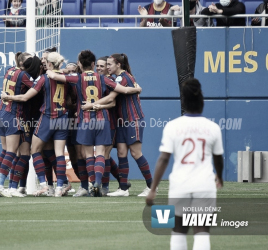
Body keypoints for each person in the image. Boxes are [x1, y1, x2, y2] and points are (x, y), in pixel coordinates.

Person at [47, 50, 142, 197]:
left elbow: (52, 75)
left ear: (79, 63)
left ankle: (92, 184)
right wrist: (137, 89)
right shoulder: (103, 79)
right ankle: (97, 181)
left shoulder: (77, 78)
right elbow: (123, 90)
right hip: (102, 119)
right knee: (101, 154)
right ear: (93, 64)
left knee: (88, 155)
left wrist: (56, 67)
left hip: (85, 120)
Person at [146, 78, 224, 250]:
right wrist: (219, 176)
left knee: (179, 231)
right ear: (201, 101)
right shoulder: (213, 128)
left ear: (184, 102)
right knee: (202, 231)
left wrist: (153, 189)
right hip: (204, 184)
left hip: (179, 185)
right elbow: (218, 159)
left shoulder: (173, 126)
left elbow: (164, 159)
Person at [1, 52, 69, 197]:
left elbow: (25, 97)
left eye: (45, 61)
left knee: (34, 150)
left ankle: (43, 185)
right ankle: (59, 187)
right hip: (63, 117)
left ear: (49, 64)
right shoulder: (68, 77)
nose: (43, 63)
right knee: (58, 153)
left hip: (47, 117)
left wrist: (8, 97)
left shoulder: (43, 79)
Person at [93, 53, 152, 197]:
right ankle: (123, 188)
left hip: (133, 120)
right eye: (105, 64)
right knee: (121, 153)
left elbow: (112, 97)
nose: (107, 67)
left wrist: (93, 104)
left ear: (118, 65)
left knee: (136, 153)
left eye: (109, 64)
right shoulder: (116, 78)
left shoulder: (124, 78)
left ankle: (152, 186)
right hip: (121, 121)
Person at [0, 52, 35, 197]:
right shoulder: (23, 75)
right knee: (12, 152)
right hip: (13, 115)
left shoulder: (9, 70)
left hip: (1, 111)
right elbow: (36, 88)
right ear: (23, 63)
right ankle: (1, 185)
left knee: (5, 150)